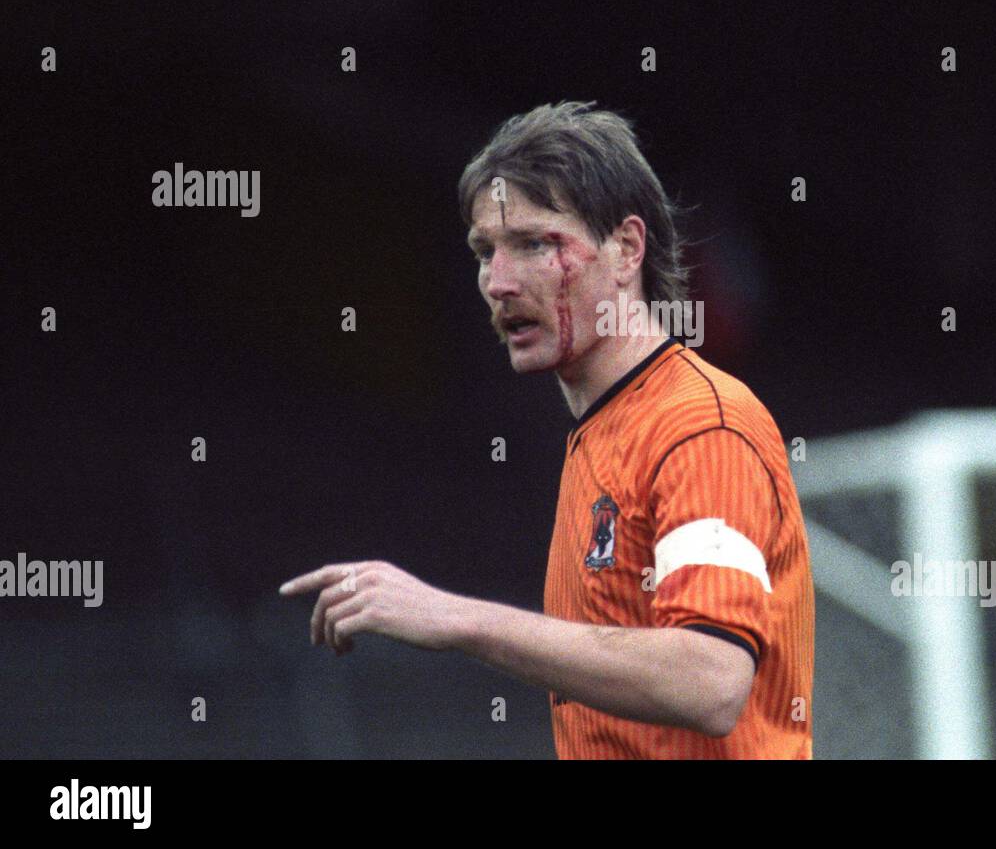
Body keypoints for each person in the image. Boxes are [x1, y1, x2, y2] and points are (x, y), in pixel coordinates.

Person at [281, 101, 815, 759]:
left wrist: (456, 616)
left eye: (535, 243)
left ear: (625, 248)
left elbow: (709, 680)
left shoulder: (700, 424)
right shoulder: (600, 436)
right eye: (485, 251)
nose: (498, 282)